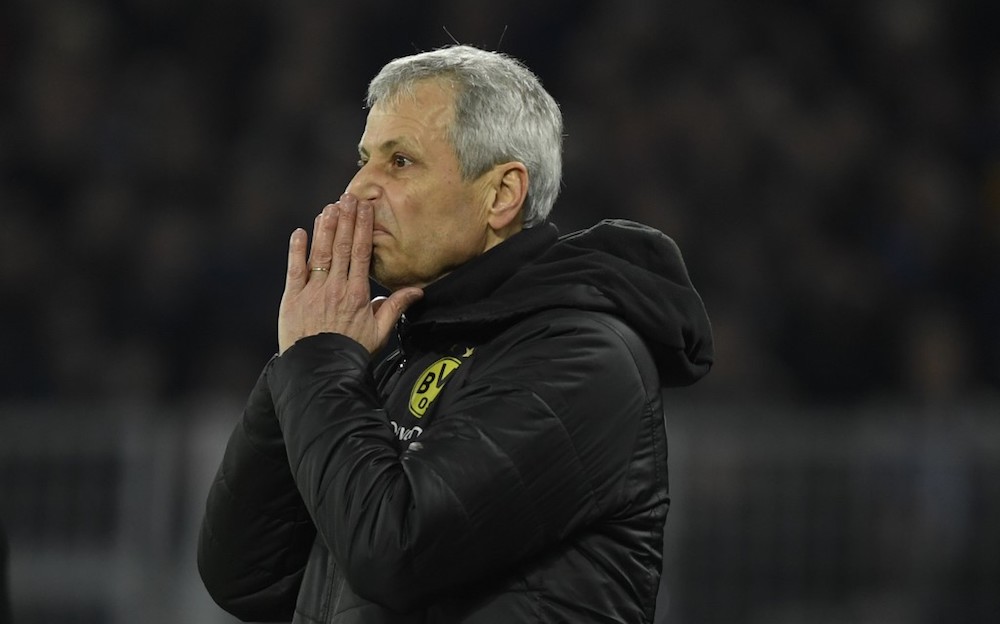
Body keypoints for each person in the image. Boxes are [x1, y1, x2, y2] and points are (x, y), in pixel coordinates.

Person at [197, 44, 713, 623]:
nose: (357, 190)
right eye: (363, 158)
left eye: (400, 162)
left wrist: (318, 362)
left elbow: (396, 550)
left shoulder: (583, 358)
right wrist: (301, 357)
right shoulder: (388, 347)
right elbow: (245, 576)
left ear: (501, 195)